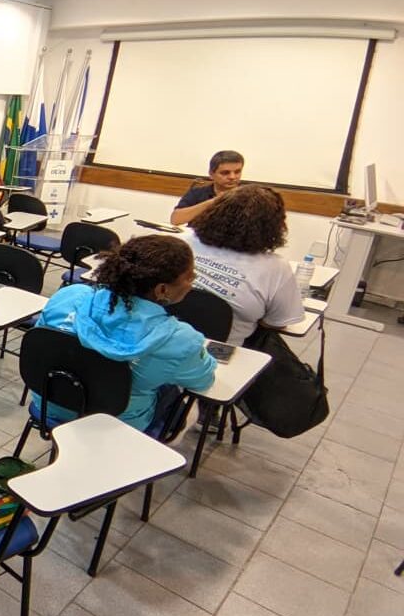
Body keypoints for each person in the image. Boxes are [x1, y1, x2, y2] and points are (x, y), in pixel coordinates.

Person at [34, 235, 217, 433]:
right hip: (119, 424)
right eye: (190, 276)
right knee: (186, 406)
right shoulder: (181, 340)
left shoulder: (69, 295)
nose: (193, 282)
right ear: (162, 289)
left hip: (50, 403)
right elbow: (203, 380)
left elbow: (42, 343)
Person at [186, 185, 304, 346]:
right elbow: (277, 322)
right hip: (220, 352)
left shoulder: (186, 241)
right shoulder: (276, 268)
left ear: (214, 212)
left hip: (169, 341)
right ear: (273, 226)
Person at [170, 150, 245, 226]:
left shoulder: (249, 196)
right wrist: (214, 201)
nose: (232, 177)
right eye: (225, 173)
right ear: (211, 174)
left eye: (237, 172)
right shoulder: (197, 193)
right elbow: (175, 220)